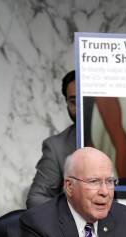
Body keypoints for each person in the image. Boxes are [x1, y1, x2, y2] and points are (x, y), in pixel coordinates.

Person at [26, 70, 77, 208]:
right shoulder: (57, 146)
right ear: (66, 104)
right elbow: (35, 199)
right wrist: (75, 209)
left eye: (86, 99)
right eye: (74, 101)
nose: (81, 108)